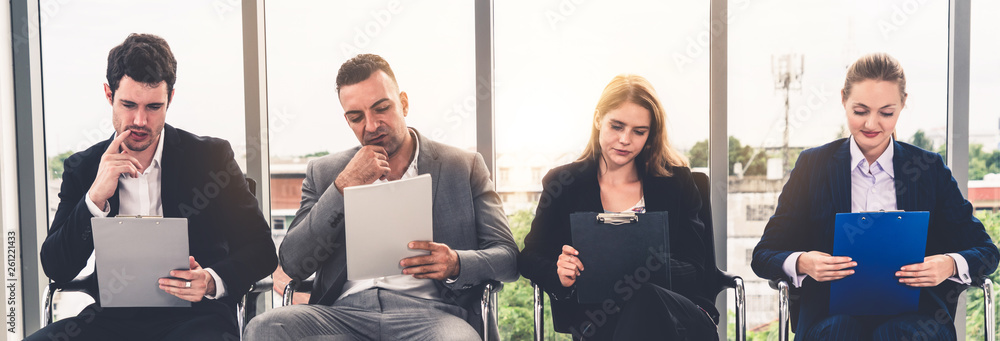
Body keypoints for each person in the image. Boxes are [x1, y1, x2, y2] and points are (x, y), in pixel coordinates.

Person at [245, 53, 518, 340]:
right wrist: (342, 187)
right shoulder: (325, 173)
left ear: (404, 103)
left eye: (381, 109)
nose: (371, 126)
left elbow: (507, 257)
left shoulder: (463, 166)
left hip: (434, 315)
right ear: (347, 119)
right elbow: (294, 263)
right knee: (265, 328)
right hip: (343, 315)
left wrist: (456, 263)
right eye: (356, 117)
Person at [29, 33, 278, 341]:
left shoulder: (211, 158)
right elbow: (57, 267)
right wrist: (94, 199)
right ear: (109, 94)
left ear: (170, 98)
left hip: (197, 317)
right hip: (111, 321)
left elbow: (262, 250)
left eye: (154, 107)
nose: (140, 120)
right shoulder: (84, 167)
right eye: (128, 104)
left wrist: (211, 280)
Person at [751, 53, 999, 340]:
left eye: (886, 112)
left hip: (917, 317)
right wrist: (804, 262)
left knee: (898, 334)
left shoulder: (929, 169)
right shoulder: (813, 166)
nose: (871, 124)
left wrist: (949, 264)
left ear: (903, 103)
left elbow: (986, 251)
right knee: (840, 332)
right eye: (860, 111)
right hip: (830, 317)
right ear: (843, 99)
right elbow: (764, 255)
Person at [518, 74, 719, 340]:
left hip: (679, 317)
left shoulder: (676, 183)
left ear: (650, 135)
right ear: (598, 118)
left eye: (639, 131)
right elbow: (529, 256)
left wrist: (641, 268)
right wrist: (560, 273)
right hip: (601, 320)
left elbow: (696, 269)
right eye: (617, 126)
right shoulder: (564, 184)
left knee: (645, 297)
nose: (625, 139)